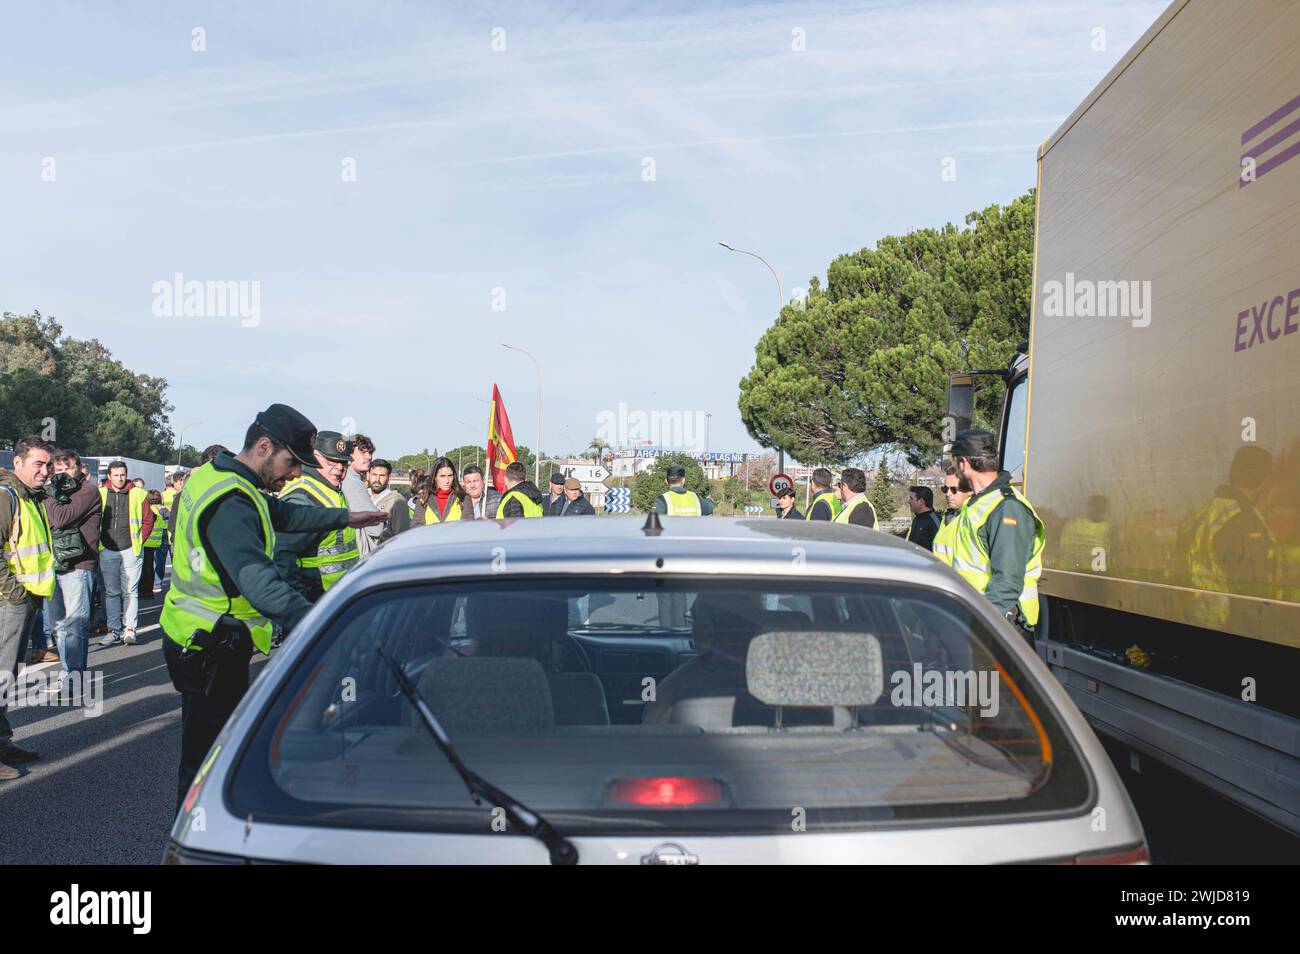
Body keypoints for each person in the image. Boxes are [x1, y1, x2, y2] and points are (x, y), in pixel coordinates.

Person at [160, 405, 388, 810]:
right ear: (264, 446)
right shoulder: (231, 500)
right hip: (210, 642)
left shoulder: (223, 478)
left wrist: (345, 518)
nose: (295, 474)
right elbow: (263, 587)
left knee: (208, 749)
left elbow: (281, 513)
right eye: (290, 462)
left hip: (195, 631)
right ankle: (196, 841)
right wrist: (327, 625)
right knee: (207, 761)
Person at [949, 428, 1045, 642]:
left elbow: (1007, 583)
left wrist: (979, 627)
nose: (955, 472)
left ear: (964, 463)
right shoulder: (981, 504)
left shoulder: (1006, 508)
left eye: (956, 464)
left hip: (1001, 626)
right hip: (982, 619)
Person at [0, 437, 56, 781]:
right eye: (38, 464)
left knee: (8, 677)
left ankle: (2, 743)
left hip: (26, 601)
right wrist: (15, 593)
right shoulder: (7, 496)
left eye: (48, 464)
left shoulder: (29, 497)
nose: (45, 471)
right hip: (11, 602)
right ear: (18, 463)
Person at [274, 432, 362, 602]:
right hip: (313, 599)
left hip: (335, 596)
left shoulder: (330, 487)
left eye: (343, 463)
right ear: (314, 457)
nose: (339, 468)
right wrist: (302, 604)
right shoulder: (303, 495)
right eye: (331, 461)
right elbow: (282, 557)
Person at [42, 449, 101, 692]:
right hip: (54, 565)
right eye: (58, 470)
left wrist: (47, 492)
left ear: (78, 468)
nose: (63, 474)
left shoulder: (87, 490)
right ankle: (68, 671)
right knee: (58, 625)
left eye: (68, 468)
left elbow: (61, 518)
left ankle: (74, 678)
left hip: (79, 565)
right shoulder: (58, 493)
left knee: (75, 625)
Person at [98, 461, 154, 646]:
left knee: (130, 592)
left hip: (131, 549)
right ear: (109, 476)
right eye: (116, 475)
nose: (120, 478)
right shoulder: (100, 493)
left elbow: (148, 520)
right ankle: (113, 631)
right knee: (111, 593)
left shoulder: (138, 493)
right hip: (106, 549)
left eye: (123, 474)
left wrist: (139, 541)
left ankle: (130, 629)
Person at [342, 434, 383, 556]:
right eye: (363, 452)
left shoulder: (347, 478)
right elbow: (376, 528)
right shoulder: (351, 481)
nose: (369, 457)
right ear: (349, 454)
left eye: (370, 453)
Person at [933, 465, 972, 567]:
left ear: (969, 491)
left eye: (954, 489)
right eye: (945, 489)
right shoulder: (948, 516)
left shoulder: (973, 517)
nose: (948, 494)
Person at [366, 458, 410, 538]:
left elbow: (401, 536)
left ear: (389, 478)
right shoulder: (362, 496)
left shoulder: (397, 502)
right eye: (374, 475)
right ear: (368, 475)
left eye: (382, 476)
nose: (377, 479)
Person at [419, 457, 464, 524]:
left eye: (450, 475)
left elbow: (467, 529)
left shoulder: (464, 498)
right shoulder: (424, 498)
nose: (447, 481)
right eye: (442, 476)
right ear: (435, 477)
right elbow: (417, 527)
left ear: (454, 476)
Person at [139, 489, 167, 599]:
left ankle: (144, 590)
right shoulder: (160, 510)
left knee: (145, 567)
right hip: (155, 542)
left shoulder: (150, 510)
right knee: (150, 566)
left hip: (146, 541)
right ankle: (148, 590)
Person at [903, 486, 942, 551]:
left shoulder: (935, 521)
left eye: (911, 499)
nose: (908, 501)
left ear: (921, 501)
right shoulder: (917, 519)